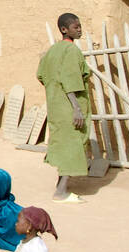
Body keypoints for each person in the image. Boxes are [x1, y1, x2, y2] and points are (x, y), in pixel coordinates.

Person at [37, 12, 92, 202]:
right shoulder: (71, 51)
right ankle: (61, 191)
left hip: (57, 107)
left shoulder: (52, 51)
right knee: (72, 146)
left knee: (64, 145)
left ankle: (60, 185)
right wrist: (76, 108)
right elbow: (70, 81)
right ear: (64, 30)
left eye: (80, 26)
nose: (80, 30)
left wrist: (55, 94)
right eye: (75, 27)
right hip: (70, 107)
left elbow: (41, 75)